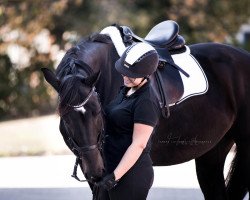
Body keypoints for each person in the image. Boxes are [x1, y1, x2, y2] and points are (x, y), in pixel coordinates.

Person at [94, 42, 160, 200]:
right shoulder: (126, 90)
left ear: (146, 73)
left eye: (130, 73)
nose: (124, 76)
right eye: (123, 71)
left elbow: (139, 144)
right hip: (110, 168)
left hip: (130, 175)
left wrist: (114, 177)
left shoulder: (146, 101)